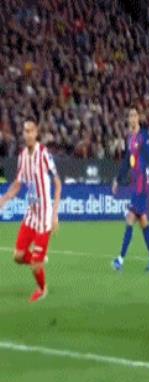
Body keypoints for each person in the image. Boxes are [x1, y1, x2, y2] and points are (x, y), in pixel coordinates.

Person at [0, 117, 62, 302]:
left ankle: (42, 289)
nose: (27, 134)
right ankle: (39, 259)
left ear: (36, 133)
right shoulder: (22, 156)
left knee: (35, 265)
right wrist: (3, 200)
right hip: (31, 214)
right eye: (25, 131)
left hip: (44, 216)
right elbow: (18, 184)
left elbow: (58, 183)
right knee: (18, 256)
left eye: (31, 131)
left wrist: (55, 215)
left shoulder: (44, 154)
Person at [111, 107, 149, 272]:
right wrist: (117, 179)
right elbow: (127, 162)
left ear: (138, 118)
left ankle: (120, 260)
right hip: (136, 185)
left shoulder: (142, 137)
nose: (132, 118)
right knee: (143, 222)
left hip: (141, 186)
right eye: (130, 116)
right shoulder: (131, 139)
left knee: (130, 219)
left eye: (134, 115)